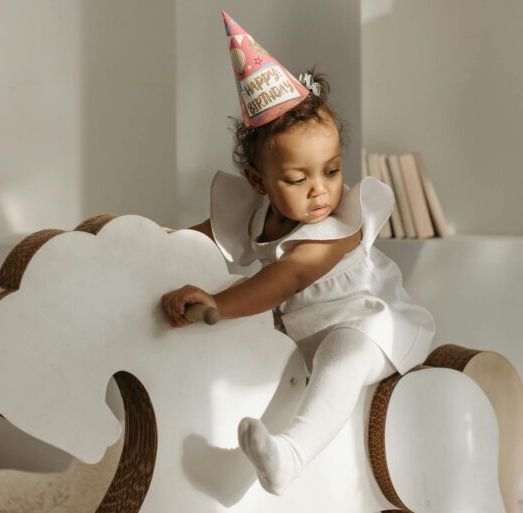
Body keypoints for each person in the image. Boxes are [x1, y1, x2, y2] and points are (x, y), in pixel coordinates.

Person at [160, 11, 436, 496]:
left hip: (374, 328)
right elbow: (199, 239)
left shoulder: (340, 226)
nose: (320, 192)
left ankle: (291, 455)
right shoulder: (254, 215)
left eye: (331, 170)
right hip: (298, 340)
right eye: (296, 179)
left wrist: (221, 305)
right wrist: (153, 247)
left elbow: (286, 278)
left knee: (344, 351)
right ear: (257, 181)